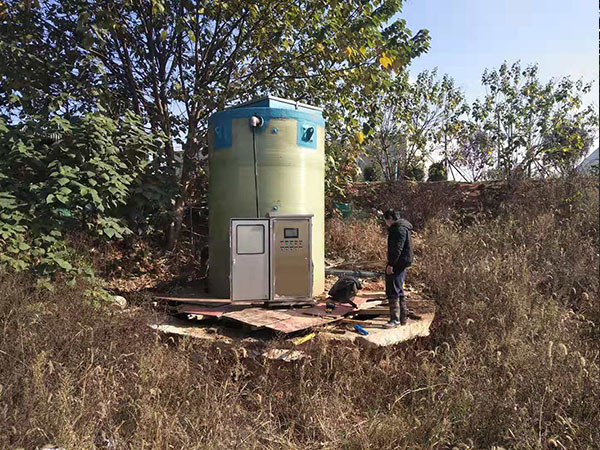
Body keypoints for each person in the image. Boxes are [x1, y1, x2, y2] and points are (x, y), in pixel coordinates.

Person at [383, 209, 413, 327]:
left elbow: (397, 248)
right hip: (402, 261)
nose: (386, 223)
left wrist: (391, 264)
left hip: (398, 262)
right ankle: (403, 319)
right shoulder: (404, 227)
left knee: (393, 289)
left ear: (390, 218)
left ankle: (395, 319)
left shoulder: (398, 229)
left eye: (386, 220)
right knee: (399, 289)